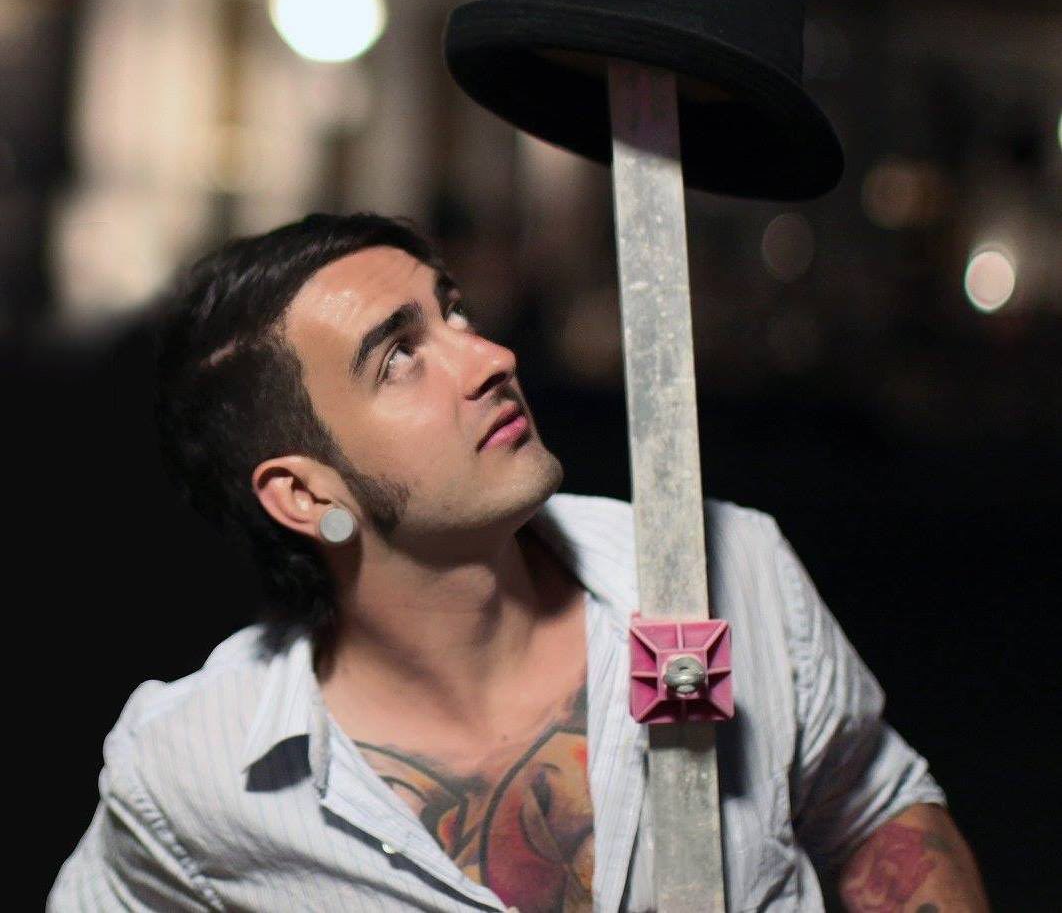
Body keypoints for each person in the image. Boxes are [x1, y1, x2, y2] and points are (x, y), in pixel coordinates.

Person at [48, 211, 989, 912]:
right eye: (398, 356)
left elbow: (874, 809)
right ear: (303, 492)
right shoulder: (196, 769)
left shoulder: (727, 566)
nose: (490, 356)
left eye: (452, 311)